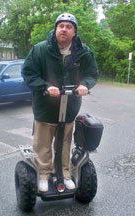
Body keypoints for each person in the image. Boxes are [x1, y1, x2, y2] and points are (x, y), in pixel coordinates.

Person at [22, 13, 99, 192]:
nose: (63, 29)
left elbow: (91, 74)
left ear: (74, 32)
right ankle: (44, 174)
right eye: (61, 26)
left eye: (68, 26)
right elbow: (29, 73)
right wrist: (46, 86)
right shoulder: (40, 50)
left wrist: (85, 85)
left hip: (69, 106)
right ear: (56, 29)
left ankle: (64, 173)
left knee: (65, 142)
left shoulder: (83, 52)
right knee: (43, 143)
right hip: (45, 107)